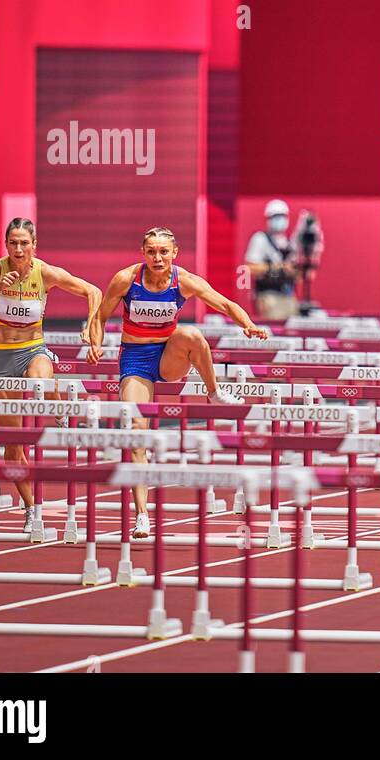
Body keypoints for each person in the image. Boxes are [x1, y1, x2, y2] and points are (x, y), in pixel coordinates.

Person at [94, 227, 268, 537]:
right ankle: (143, 515)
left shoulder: (183, 280)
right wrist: (95, 342)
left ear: (175, 253)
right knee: (136, 431)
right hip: (136, 359)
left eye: (163, 251)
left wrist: (249, 325)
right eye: (151, 251)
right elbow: (100, 316)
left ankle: (213, 392)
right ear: (143, 253)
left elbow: (225, 304)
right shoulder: (126, 279)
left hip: (169, 356)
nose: (157, 257)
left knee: (191, 334)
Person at [0, 218, 104, 532]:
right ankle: (31, 508)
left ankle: (58, 407)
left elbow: (93, 291)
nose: (18, 248)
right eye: (13, 242)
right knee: (13, 445)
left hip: (33, 349)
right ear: (6, 245)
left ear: (33, 245)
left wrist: (90, 325)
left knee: (39, 381)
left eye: (23, 243)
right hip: (0, 357)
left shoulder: (45, 272)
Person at [244, 199, 299, 321]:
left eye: (282, 216)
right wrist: (277, 267)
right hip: (269, 296)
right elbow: (251, 267)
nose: (280, 220)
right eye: (276, 216)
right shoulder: (260, 239)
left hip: (288, 295)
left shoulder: (288, 242)